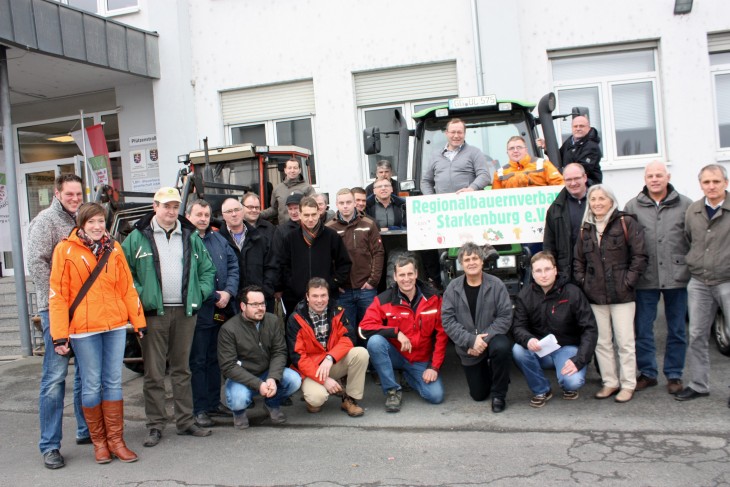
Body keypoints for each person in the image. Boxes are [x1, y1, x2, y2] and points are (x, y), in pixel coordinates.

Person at [49, 202, 146, 464]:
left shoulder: (113, 248)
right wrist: (60, 335)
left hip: (114, 325)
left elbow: (127, 286)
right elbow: (58, 295)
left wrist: (138, 321)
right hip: (83, 329)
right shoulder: (65, 249)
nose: (96, 226)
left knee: (113, 382)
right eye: (91, 222)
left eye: (100, 221)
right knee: (91, 385)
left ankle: (117, 441)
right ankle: (99, 443)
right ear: (81, 224)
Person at [121, 186, 216, 447]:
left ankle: (185, 421)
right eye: (166, 206)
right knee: (153, 373)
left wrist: (199, 292)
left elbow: (208, 270)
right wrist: (141, 296)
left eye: (175, 206)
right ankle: (155, 425)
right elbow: (123, 273)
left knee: (182, 370)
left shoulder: (190, 235)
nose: (171, 211)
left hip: (185, 313)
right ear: (155, 207)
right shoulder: (137, 237)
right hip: (153, 314)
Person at [27, 173, 89, 469]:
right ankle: (50, 445)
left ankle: (83, 429)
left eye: (79, 194)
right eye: (70, 194)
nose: (75, 198)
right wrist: (54, 300)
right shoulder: (45, 221)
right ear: (57, 193)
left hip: (84, 310)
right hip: (58, 310)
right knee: (54, 378)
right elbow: (37, 262)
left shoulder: (82, 218)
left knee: (84, 375)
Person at [574, 184, 647, 404]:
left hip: (622, 294)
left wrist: (628, 282)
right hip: (595, 296)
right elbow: (578, 261)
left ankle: (628, 384)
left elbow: (640, 256)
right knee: (602, 342)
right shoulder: (585, 229)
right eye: (593, 199)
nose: (597, 203)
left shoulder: (626, 222)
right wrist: (584, 283)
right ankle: (610, 382)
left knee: (625, 342)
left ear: (611, 200)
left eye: (601, 199)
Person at [624, 161, 691, 395]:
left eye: (659, 175)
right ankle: (648, 373)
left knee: (677, 329)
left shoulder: (685, 205)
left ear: (667, 176)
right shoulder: (633, 206)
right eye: (650, 175)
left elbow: (692, 239)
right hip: (646, 278)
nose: (654, 179)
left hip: (677, 276)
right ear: (645, 178)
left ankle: (674, 374)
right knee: (643, 329)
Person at [360, 254, 447, 411]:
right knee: (375, 342)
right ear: (395, 276)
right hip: (396, 354)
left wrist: (434, 367)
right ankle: (393, 391)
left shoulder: (433, 298)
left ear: (416, 274)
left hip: (421, 359)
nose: (406, 279)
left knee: (436, 396)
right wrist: (395, 332)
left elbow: (442, 335)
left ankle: (408, 377)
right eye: (401, 275)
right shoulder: (383, 299)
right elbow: (364, 327)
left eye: (409, 274)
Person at [511, 252, 597, 407]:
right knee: (518, 350)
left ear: (555, 270)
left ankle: (567, 382)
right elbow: (518, 326)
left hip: (567, 348)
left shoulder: (572, 292)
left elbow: (589, 329)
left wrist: (579, 361)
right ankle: (541, 390)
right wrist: (528, 339)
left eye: (547, 269)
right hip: (540, 348)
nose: (543, 275)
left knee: (573, 382)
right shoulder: (525, 295)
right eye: (538, 271)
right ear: (532, 273)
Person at [677, 164, 730, 403]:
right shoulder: (693, 211)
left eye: (716, 181)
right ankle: (699, 384)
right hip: (699, 282)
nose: (711, 186)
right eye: (706, 182)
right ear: (701, 184)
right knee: (697, 334)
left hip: (727, 280)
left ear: (725, 183)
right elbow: (689, 239)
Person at [185, 199, 240, 428]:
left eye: (206, 215)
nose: (203, 219)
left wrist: (228, 292)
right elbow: (189, 277)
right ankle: (199, 409)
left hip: (221, 311)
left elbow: (234, 266)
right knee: (198, 361)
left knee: (215, 359)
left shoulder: (218, 239)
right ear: (188, 216)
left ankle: (213, 403)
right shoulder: (185, 241)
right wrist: (214, 296)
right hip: (200, 312)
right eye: (198, 214)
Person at [442, 243, 513, 413]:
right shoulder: (453, 287)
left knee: (503, 347)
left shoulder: (496, 285)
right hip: (468, 348)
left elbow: (505, 316)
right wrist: (470, 341)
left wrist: (482, 340)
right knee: (478, 395)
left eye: (475, 258)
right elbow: (447, 319)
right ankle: (495, 374)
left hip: (492, 340)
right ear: (461, 263)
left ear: (482, 261)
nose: (471, 262)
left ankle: (499, 394)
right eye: (467, 259)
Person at [217, 286, 302, 428]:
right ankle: (239, 414)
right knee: (238, 398)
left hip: (266, 373)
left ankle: (272, 405)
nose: (260, 308)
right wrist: (259, 384)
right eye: (254, 305)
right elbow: (228, 366)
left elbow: (279, 351)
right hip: (242, 377)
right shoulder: (228, 329)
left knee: (294, 380)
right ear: (243, 306)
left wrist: (273, 378)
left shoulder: (272, 321)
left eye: (262, 304)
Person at [287, 278, 368, 416]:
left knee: (361, 353)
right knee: (316, 400)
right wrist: (323, 380)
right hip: (310, 369)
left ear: (328, 296)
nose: (320, 300)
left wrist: (330, 357)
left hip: (330, 363)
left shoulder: (338, 311)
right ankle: (311, 396)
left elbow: (349, 338)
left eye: (323, 295)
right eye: (315, 296)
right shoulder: (295, 319)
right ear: (307, 296)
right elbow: (298, 357)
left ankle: (349, 399)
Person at [276, 196, 352, 319]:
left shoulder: (331, 236)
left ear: (319, 214)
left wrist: (331, 284)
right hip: (296, 298)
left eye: (313, 214)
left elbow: (344, 264)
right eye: (306, 215)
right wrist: (293, 285)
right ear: (300, 215)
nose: (310, 219)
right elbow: (283, 265)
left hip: (325, 298)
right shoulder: (290, 238)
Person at [326, 188, 384, 329]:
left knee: (370, 330)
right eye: (341, 203)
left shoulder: (368, 224)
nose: (345, 206)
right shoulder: (329, 228)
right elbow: (326, 258)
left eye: (348, 202)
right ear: (336, 205)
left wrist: (373, 281)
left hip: (366, 289)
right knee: (347, 332)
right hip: (343, 291)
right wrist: (334, 284)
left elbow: (378, 252)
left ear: (354, 203)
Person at [219, 197, 277, 310]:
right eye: (229, 211)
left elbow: (272, 268)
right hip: (230, 304)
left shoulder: (260, 238)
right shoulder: (218, 241)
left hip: (260, 302)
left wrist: (264, 293)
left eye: (237, 210)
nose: (234, 214)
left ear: (242, 211)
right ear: (223, 215)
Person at [543, 163, 589, 281]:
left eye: (576, 178)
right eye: (568, 179)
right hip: (569, 275)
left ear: (585, 177)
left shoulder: (601, 202)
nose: (573, 183)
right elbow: (549, 246)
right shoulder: (555, 209)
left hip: (597, 274)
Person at [421, 118, 491, 195]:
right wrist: (429, 198)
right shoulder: (435, 155)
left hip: (469, 202)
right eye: (453, 132)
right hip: (443, 204)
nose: (456, 135)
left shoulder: (474, 152)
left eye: (459, 132)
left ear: (464, 134)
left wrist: (472, 188)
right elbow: (426, 181)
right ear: (446, 133)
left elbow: (484, 175)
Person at [492, 136, 564, 189]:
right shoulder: (499, 173)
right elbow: (494, 197)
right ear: (507, 152)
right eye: (511, 148)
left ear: (526, 150)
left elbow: (560, 185)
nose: (515, 151)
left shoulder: (543, 164)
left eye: (519, 147)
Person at [260, 158, 314, 224]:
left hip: (301, 228)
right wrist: (258, 214)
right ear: (285, 170)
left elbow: (313, 208)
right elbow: (274, 209)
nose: (292, 170)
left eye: (295, 168)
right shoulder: (277, 189)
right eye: (289, 168)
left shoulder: (307, 188)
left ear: (299, 170)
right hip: (284, 229)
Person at [558, 115, 603, 185]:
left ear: (588, 128)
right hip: (571, 184)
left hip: (589, 187)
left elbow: (582, 169)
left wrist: (562, 172)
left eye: (581, 126)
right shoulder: (569, 141)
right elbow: (559, 158)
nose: (578, 129)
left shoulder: (592, 146)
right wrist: (547, 148)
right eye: (575, 126)